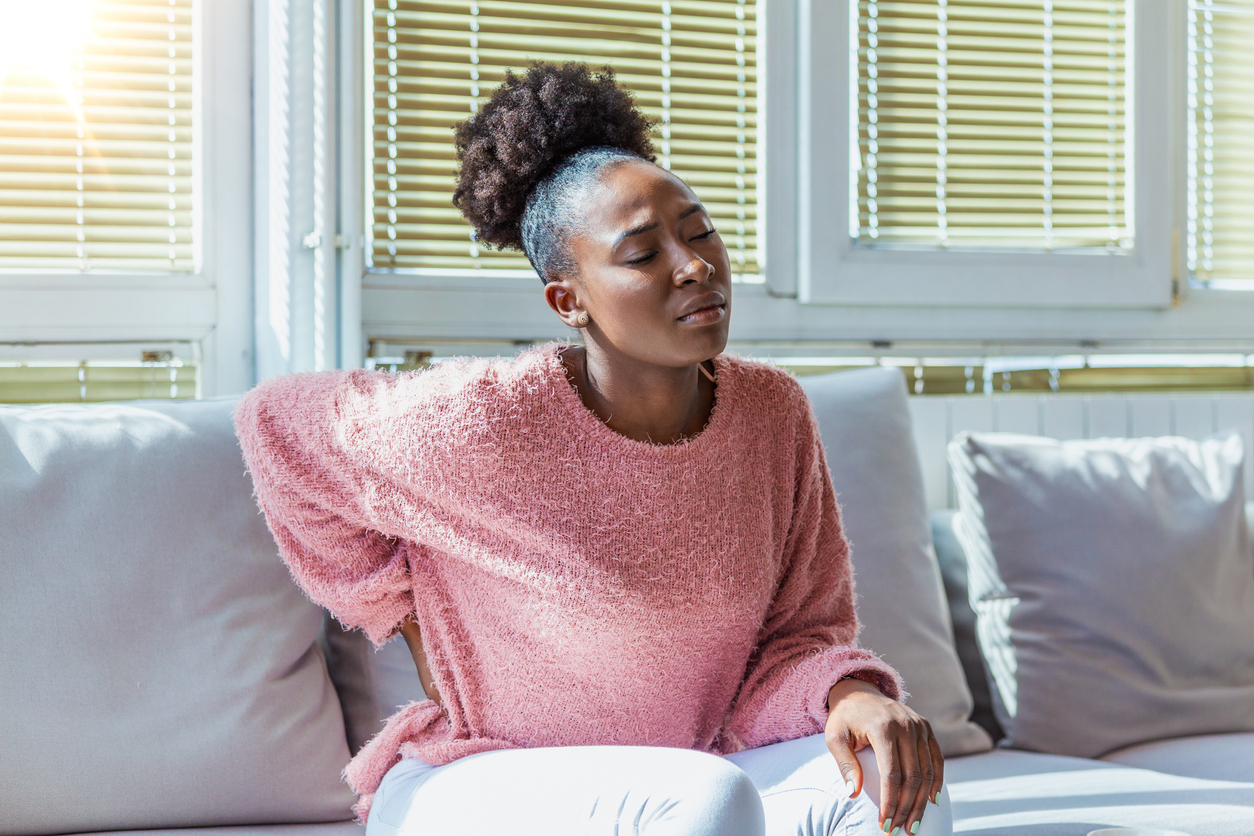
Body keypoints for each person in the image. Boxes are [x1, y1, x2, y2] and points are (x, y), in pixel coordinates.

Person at [234, 61, 951, 836]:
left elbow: (796, 638)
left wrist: (852, 695)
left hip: (696, 773)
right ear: (567, 299)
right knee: (708, 799)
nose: (696, 264)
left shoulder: (771, 414)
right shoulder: (482, 420)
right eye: (644, 255)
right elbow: (275, 424)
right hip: (480, 779)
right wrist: (398, 604)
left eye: (700, 228)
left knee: (897, 783)